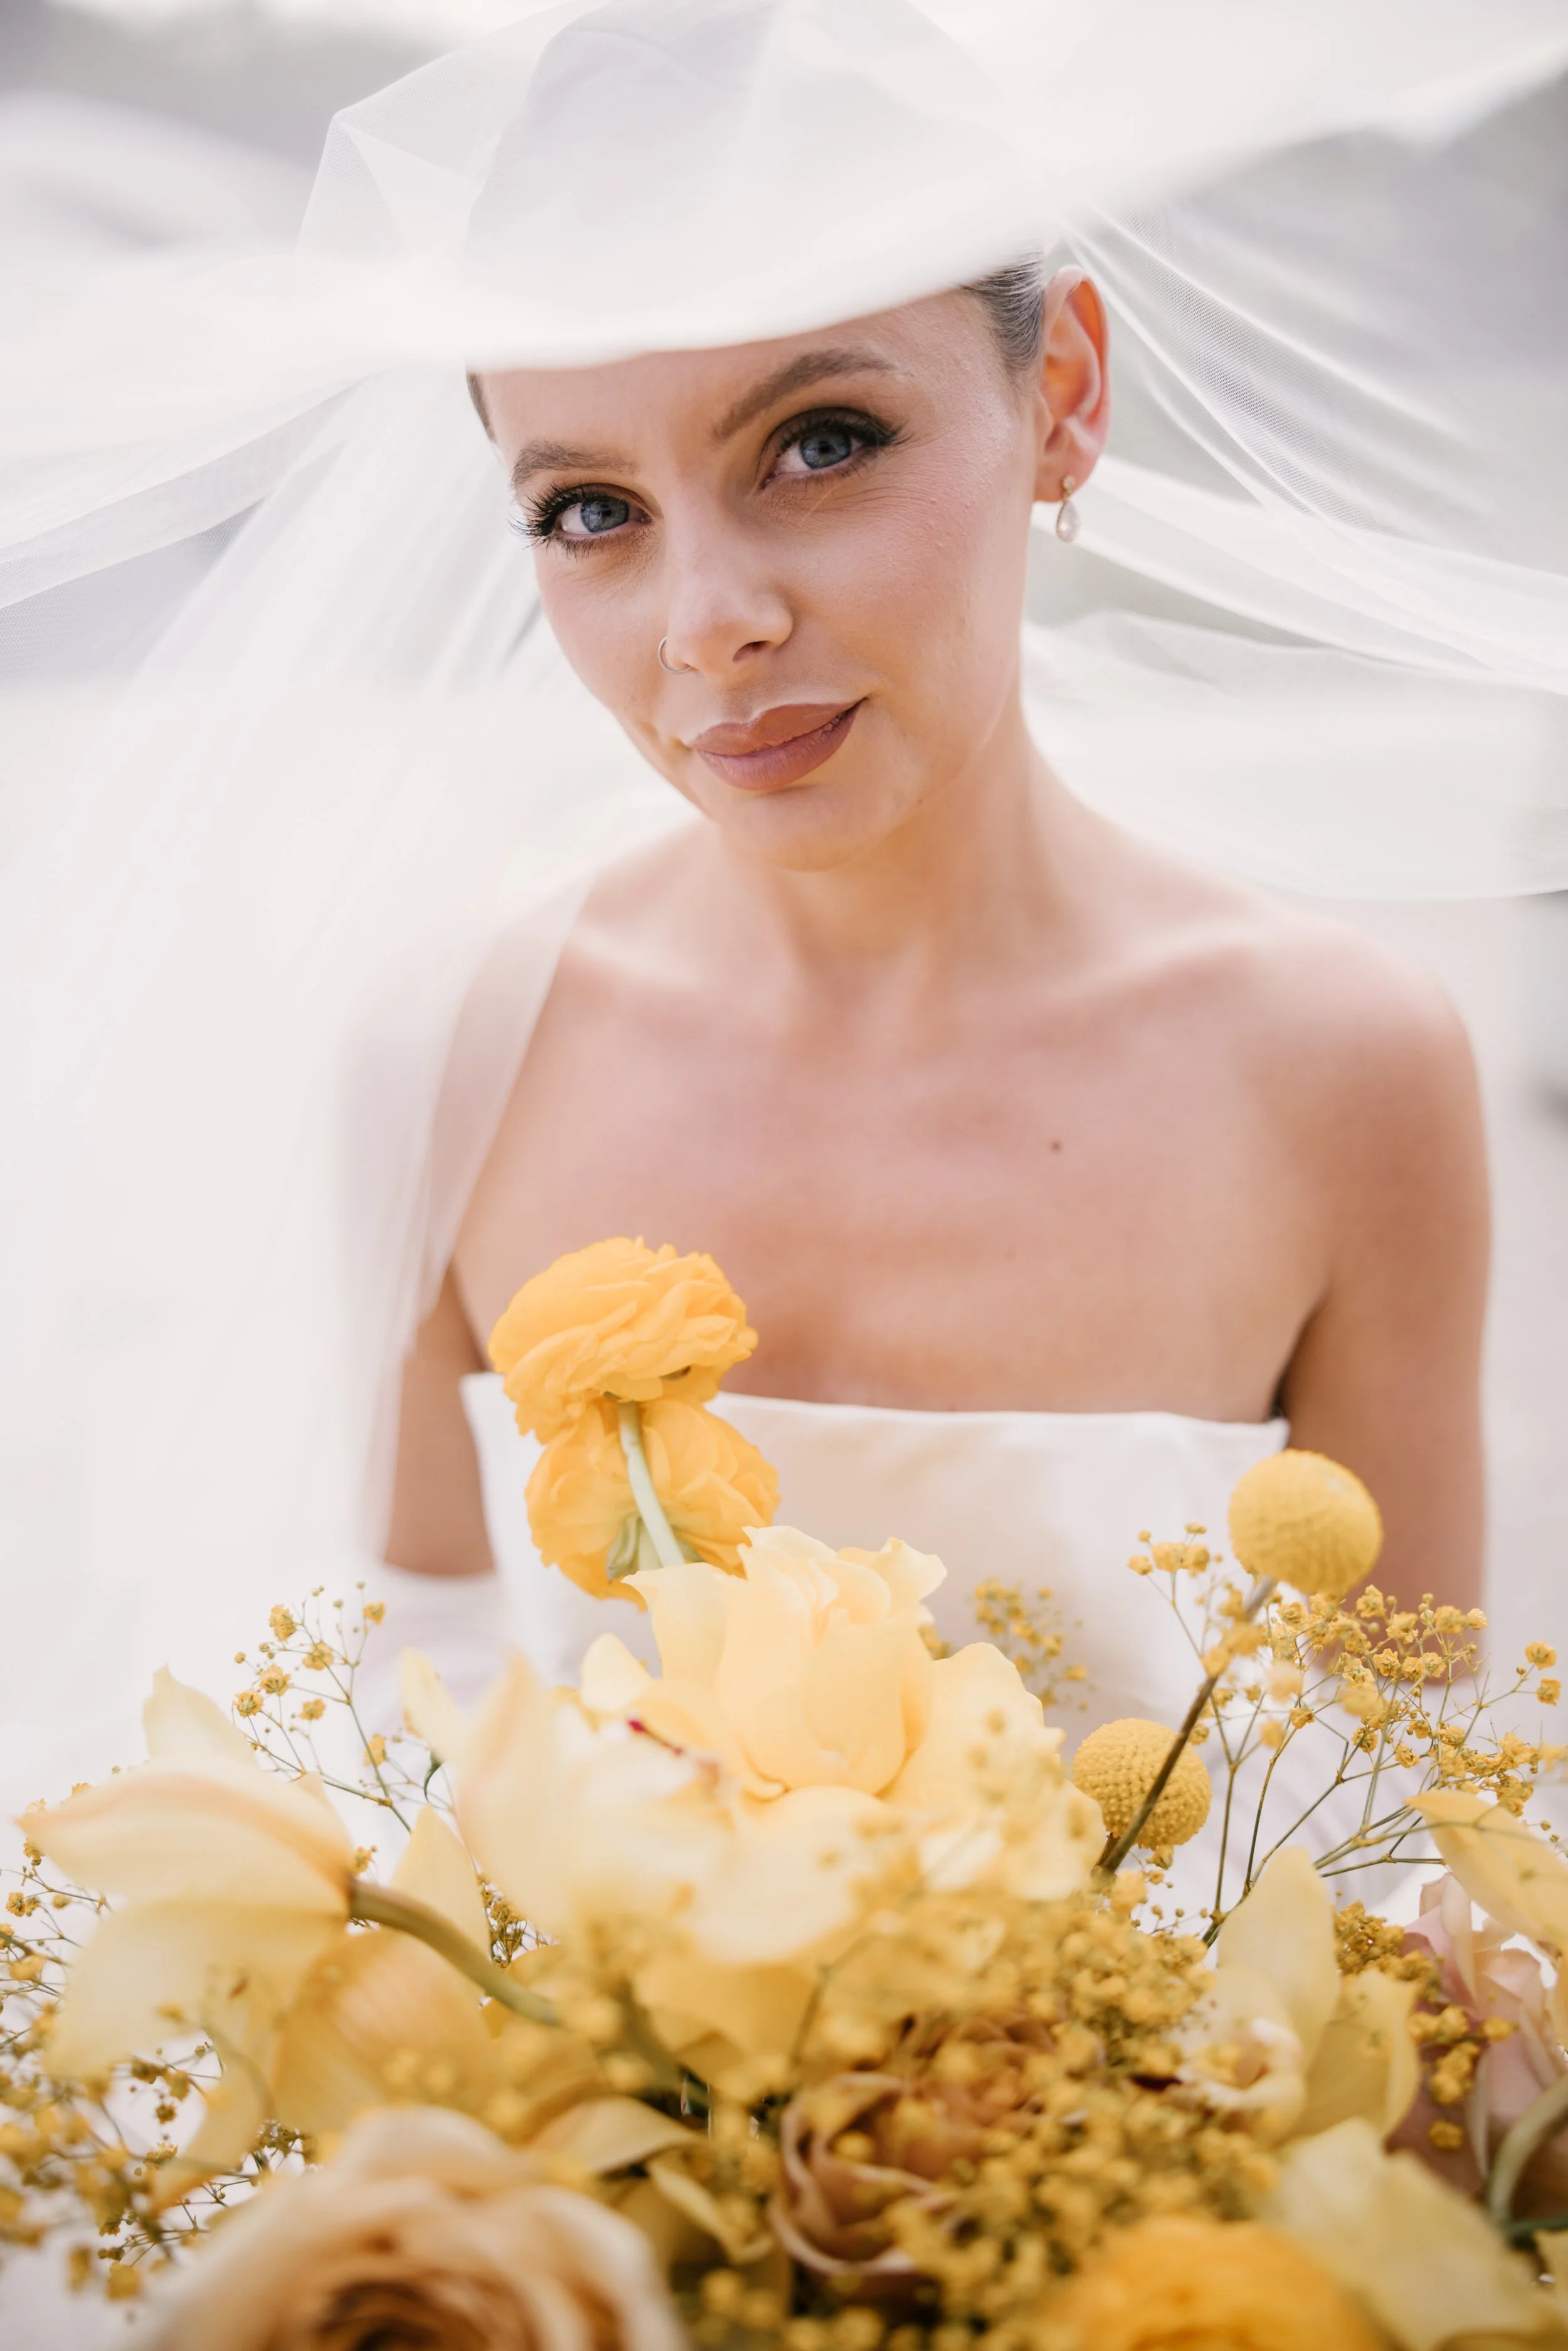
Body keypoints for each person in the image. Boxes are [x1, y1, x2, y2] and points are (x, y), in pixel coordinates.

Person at [381, 258, 1487, 1727]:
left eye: (821, 442)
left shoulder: (1341, 1068)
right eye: (592, 512)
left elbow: (1402, 1787)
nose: (708, 624)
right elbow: (409, 1698)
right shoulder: (452, 1052)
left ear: (1062, 396)